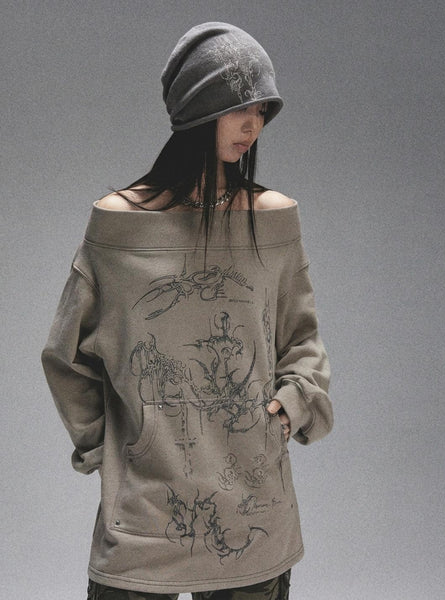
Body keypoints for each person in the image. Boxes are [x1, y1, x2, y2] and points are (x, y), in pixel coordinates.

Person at [41, 22, 333, 600]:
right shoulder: (118, 224)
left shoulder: (273, 218)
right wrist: (110, 452)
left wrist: (290, 407)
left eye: (261, 110)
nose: (253, 126)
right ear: (198, 110)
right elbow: (65, 356)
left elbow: (302, 340)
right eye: (238, 107)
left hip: (254, 504)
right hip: (144, 512)